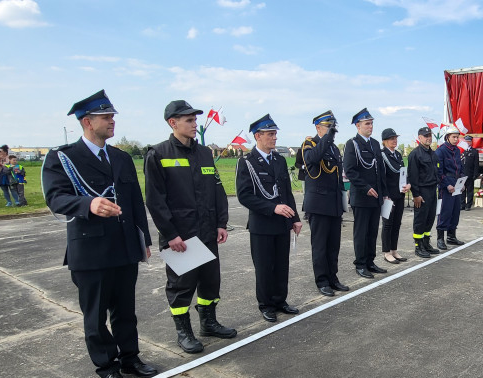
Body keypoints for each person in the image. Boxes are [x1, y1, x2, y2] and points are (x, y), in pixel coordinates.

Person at [42, 90, 157, 378]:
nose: (112, 121)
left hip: (123, 247)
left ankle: (130, 358)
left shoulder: (120, 158)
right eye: (106, 117)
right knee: (95, 316)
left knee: (125, 310)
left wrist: (142, 238)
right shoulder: (63, 158)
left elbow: (134, 202)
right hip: (90, 250)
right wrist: (88, 205)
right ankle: (107, 366)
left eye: (112, 116)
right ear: (87, 122)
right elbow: (55, 198)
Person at [144, 100, 237, 353]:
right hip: (181, 236)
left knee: (210, 282)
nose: (195, 124)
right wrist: (170, 233)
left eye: (195, 120)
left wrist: (221, 223)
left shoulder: (204, 153)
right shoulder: (159, 154)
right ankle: (183, 331)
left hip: (207, 231)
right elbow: (155, 200)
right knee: (182, 286)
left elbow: (218, 190)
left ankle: (208, 323)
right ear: (173, 123)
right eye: (189, 120)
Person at [237, 114, 302, 323]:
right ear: (258, 136)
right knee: (265, 267)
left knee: (281, 265)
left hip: (282, 224)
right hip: (262, 224)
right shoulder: (247, 162)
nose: (274, 138)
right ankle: (266, 304)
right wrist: (272, 208)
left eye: (275, 134)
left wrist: (295, 218)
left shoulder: (280, 160)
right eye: (270, 134)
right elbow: (244, 195)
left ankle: (280, 300)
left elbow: (286, 192)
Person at [302, 111, 350, 297]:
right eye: (328, 126)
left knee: (333, 245)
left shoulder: (334, 149)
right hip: (319, 204)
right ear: (318, 127)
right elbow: (313, 159)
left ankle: (333, 277)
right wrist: (327, 137)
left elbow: (338, 177)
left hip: (334, 204)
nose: (332, 130)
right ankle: (322, 280)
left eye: (333, 127)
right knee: (320, 246)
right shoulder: (310, 144)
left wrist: (342, 200)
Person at [343, 108, 386, 278]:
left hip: (376, 197)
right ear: (357, 125)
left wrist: (385, 193)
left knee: (372, 231)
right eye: (367, 124)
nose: (370, 127)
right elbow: (350, 170)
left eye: (372, 123)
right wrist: (365, 187)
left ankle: (370, 261)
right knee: (361, 233)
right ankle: (360, 264)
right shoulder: (352, 144)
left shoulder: (375, 144)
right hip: (362, 196)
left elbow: (380, 171)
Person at [407, 127, 440, 258]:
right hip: (422, 191)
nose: (428, 138)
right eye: (425, 136)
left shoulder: (433, 154)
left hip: (432, 190)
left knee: (430, 218)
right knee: (420, 219)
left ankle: (426, 243)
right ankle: (418, 245)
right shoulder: (415, 154)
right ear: (419, 137)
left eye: (430, 135)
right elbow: (413, 176)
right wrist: (416, 195)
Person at [380, 128, 409, 264]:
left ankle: (394, 250)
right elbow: (382, 178)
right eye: (392, 138)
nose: (394, 141)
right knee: (388, 224)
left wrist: (408, 185)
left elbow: (402, 174)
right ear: (385, 141)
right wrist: (385, 195)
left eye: (395, 138)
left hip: (399, 194)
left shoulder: (397, 155)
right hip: (388, 196)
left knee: (397, 223)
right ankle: (386, 252)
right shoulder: (382, 155)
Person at [435, 126, 465, 250]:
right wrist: (447, 184)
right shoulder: (441, 151)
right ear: (447, 137)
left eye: (457, 137)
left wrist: (462, 182)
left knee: (455, 211)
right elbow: (438, 171)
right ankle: (440, 238)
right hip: (446, 185)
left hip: (456, 183)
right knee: (444, 211)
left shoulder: (457, 150)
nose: (456, 139)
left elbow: (460, 168)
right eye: (454, 137)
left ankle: (451, 236)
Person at [461, 135, 479, 210]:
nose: (468, 143)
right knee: (462, 190)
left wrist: (475, 174)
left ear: (471, 142)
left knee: (470, 190)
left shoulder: (474, 151)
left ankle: (468, 205)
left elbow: (476, 164)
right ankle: (462, 204)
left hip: (470, 174)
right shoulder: (461, 151)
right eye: (466, 141)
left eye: (469, 141)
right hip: (462, 174)